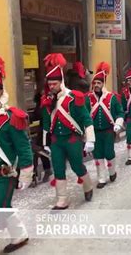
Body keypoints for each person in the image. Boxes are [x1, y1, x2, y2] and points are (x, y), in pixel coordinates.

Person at [0, 56, 32, 254]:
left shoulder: (11, 116)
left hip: (4, 175)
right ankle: (19, 235)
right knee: (3, 206)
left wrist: (26, 172)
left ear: (1, 91)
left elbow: (24, 147)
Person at [41, 53, 95, 210]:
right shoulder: (47, 101)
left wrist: (90, 139)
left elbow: (86, 119)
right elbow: (45, 124)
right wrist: (45, 143)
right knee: (58, 168)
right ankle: (62, 200)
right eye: (49, 84)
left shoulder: (73, 97)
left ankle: (87, 186)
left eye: (54, 84)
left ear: (61, 82)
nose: (52, 87)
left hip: (72, 139)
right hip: (56, 140)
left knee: (77, 165)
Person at [86, 62, 124, 189]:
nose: (96, 85)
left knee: (109, 152)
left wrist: (118, 124)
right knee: (97, 155)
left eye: (99, 83)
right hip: (95, 131)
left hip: (108, 131)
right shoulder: (88, 98)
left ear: (103, 84)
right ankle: (101, 178)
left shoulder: (112, 98)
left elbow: (120, 112)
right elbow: (85, 115)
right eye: (95, 83)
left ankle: (112, 172)